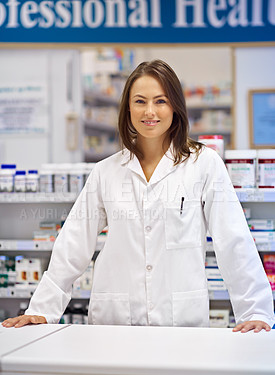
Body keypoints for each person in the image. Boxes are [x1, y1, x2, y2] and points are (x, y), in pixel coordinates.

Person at [2, 60, 274, 332]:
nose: (150, 111)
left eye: (160, 101)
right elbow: (72, 243)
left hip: (181, 321)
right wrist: (41, 310)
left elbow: (234, 240)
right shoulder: (106, 172)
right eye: (140, 101)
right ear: (128, 108)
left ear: (175, 106)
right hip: (115, 321)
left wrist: (255, 311)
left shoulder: (204, 164)